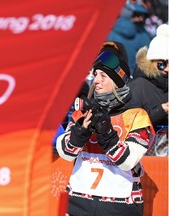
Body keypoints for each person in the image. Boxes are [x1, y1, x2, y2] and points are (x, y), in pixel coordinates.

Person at [56, 41, 154, 216]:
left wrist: (107, 132)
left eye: (103, 76)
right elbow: (64, 152)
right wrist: (80, 133)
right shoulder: (85, 111)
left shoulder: (136, 115)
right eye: (95, 75)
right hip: (79, 203)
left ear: (117, 82)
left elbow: (128, 161)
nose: (96, 81)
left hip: (120, 206)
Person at [129, 23, 169, 155]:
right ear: (151, 61)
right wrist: (161, 110)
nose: (167, 69)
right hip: (143, 155)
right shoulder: (137, 85)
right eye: (162, 64)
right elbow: (130, 124)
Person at [106, 1, 151, 77]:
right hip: (129, 75)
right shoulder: (143, 36)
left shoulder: (112, 27)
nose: (140, 19)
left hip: (108, 70)